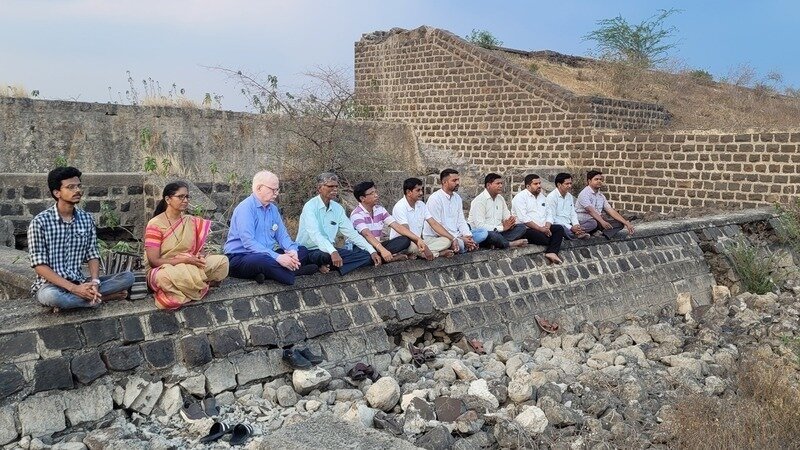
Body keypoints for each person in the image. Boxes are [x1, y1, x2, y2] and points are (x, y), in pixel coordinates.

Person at [27, 166, 134, 312]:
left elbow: (92, 254)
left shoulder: (86, 219)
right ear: (57, 192)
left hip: (80, 281)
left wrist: (95, 282)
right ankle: (102, 298)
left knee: (128, 277)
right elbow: (39, 266)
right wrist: (74, 288)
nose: (77, 190)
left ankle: (83, 298)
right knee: (53, 297)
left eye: (78, 186)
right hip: (51, 286)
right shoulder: (40, 222)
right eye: (71, 187)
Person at [145, 181, 229, 310]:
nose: (185, 200)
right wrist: (185, 260)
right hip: (166, 268)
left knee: (222, 262)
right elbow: (154, 261)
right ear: (167, 199)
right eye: (180, 197)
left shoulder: (190, 221)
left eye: (187, 197)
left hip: (190, 265)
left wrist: (200, 257)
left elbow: (199, 251)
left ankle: (186, 287)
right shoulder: (155, 224)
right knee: (163, 278)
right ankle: (199, 285)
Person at [225, 171, 319, 285]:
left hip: (268, 253)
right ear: (259, 188)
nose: (276, 193)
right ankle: (294, 273)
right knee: (262, 261)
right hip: (242, 255)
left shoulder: (273, 209)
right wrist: (278, 257)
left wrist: (292, 251)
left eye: (277, 190)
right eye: (273, 190)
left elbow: (282, 236)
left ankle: (269, 274)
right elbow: (249, 243)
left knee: (302, 250)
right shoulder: (245, 208)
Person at [296, 173, 381, 275]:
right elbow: (315, 234)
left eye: (336, 186)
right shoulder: (310, 206)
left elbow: (351, 233)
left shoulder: (338, 208)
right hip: (311, 250)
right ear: (319, 188)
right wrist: (332, 251)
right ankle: (323, 265)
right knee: (325, 256)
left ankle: (330, 267)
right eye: (330, 186)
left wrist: (371, 251)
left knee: (367, 256)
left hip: (330, 250)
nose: (335, 189)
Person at [350, 181, 427, 262]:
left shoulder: (380, 209)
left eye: (375, 192)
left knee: (405, 240)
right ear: (362, 198)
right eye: (372, 193)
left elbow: (397, 226)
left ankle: (383, 258)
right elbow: (367, 234)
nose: (376, 195)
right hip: (362, 248)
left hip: (377, 246)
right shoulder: (356, 214)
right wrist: (382, 250)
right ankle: (388, 258)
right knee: (365, 255)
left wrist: (417, 239)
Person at [424, 169, 488, 253]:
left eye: (458, 180)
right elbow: (437, 227)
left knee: (483, 233)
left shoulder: (457, 198)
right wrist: (457, 238)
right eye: (454, 180)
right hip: (439, 236)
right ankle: (466, 246)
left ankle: (467, 245)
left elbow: (461, 220)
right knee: (458, 243)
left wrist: (468, 236)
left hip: (457, 235)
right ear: (444, 182)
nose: (457, 183)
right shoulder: (435, 199)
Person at [391, 178, 456, 259]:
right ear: (408, 192)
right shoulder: (400, 207)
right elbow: (406, 232)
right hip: (405, 243)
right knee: (413, 246)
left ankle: (422, 253)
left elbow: (434, 224)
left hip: (419, 241)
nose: (421, 193)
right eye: (418, 190)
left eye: (421, 190)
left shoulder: (421, 205)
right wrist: (422, 244)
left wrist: (453, 239)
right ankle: (438, 253)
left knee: (447, 241)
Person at [511, 174, 566, 264]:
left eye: (539, 183)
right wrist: (541, 229)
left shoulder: (542, 197)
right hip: (527, 229)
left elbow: (549, 214)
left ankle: (551, 252)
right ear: (528, 186)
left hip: (543, 227)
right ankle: (554, 244)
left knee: (559, 229)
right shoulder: (520, 198)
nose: (539, 186)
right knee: (544, 239)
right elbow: (524, 219)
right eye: (536, 184)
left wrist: (547, 227)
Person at [468, 173, 528, 249]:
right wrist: (502, 228)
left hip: (500, 232)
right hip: (485, 234)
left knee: (521, 227)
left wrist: (511, 223)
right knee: (493, 235)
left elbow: (506, 217)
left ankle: (498, 243)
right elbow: (480, 226)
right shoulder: (479, 201)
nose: (501, 186)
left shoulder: (500, 199)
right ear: (488, 185)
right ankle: (509, 244)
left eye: (501, 183)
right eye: (498, 183)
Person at [576, 170, 635, 239]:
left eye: (600, 179)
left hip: (598, 220)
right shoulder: (584, 194)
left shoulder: (601, 196)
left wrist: (626, 223)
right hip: (585, 221)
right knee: (593, 223)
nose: (599, 181)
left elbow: (610, 210)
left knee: (620, 223)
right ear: (589, 181)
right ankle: (579, 232)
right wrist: (602, 221)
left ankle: (603, 236)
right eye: (596, 179)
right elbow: (590, 210)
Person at [545, 172, 588, 240]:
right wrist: (570, 227)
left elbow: (572, 213)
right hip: (559, 224)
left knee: (592, 223)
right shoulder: (551, 197)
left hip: (570, 223)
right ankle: (576, 234)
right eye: (567, 184)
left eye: (570, 183)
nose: (570, 186)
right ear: (559, 184)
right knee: (561, 229)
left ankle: (577, 232)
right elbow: (552, 217)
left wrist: (576, 225)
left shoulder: (569, 196)